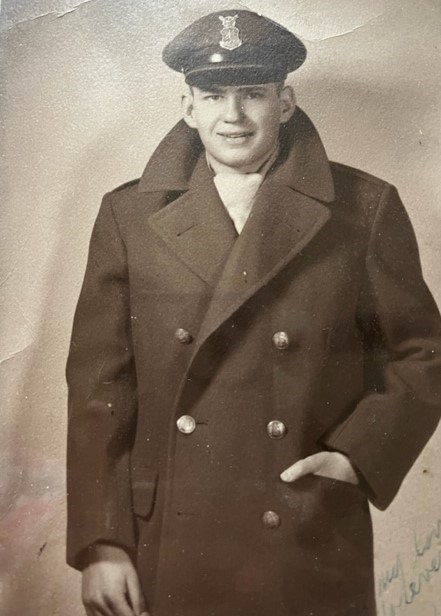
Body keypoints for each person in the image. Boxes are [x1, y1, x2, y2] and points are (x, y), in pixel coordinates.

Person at [66, 9, 441, 616]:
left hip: (305, 530)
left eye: (254, 95)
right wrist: (101, 543)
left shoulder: (364, 208)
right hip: (170, 534)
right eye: (214, 96)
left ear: (285, 103)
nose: (233, 116)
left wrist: (357, 456)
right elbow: (98, 390)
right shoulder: (127, 216)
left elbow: (423, 353)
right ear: (188, 107)